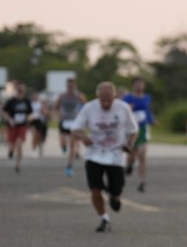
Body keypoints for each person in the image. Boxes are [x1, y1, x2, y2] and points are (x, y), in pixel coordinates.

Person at [70, 82, 138, 232]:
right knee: (95, 189)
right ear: (97, 96)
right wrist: (83, 137)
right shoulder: (89, 108)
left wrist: (129, 143)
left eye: (109, 97)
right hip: (94, 154)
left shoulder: (123, 108)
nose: (106, 101)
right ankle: (104, 218)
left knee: (117, 189)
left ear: (115, 96)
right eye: (103, 98)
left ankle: (114, 196)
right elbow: (75, 129)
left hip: (115, 154)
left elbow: (133, 130)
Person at [122, 77, 155, 192]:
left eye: (141, 84)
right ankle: (129, 164)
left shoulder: (147, 97)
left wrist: (152, 120)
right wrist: (129, 110)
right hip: (131, 129)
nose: (140, 86)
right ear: (133, 85)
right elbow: (123, 112)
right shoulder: (127, 98)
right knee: (132, 154)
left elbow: (148, 111)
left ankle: (142, 181)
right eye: (137, 84)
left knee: (142, 155)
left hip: (143, 128)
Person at [57, 77, 87, 176]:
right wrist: (59, 113)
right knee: (63, 142)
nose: (70, 88)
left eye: (72, 86)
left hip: (74, 121)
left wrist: (82, 115)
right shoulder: (62, 96)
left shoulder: (79, 96)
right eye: (68, 86)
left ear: (75, 86)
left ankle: (69, 165)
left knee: (72, 144)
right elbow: (56, 107)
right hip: (64, 121)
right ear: (66, 86)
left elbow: (86, 106)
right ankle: (64, 147)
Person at [1, 82, 32, 173]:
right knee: (12, 145)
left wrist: (28, 119)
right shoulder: (11, 101)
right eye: (19, 91)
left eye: (22, 91)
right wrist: (10, 120)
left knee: (19, 144)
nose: (20, 93)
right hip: (12, 126)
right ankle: (11, 151)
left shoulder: (26, 102)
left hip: (22, 126)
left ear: (24, 92)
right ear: (16, 91)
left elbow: (30, 113)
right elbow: (4, 112)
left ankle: (18, 164)